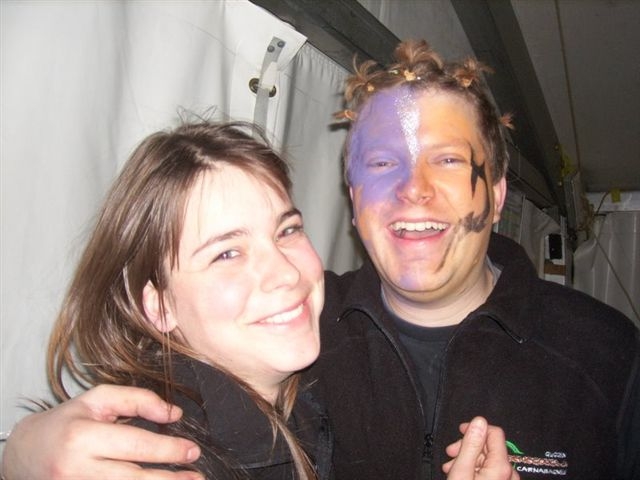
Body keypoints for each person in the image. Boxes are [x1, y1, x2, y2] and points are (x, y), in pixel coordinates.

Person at [6, 37, 639, 478]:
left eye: (447, 160)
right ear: (354, 198)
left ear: (497, 195)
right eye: (382, 163)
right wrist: (19, 453)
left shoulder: (607, 355)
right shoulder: (297, 331)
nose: (413, 189)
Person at [2, 117, 514, 480]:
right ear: (158, 306)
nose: (286, 274)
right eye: (227, 253)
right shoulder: (158, 459)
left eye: (287, 231)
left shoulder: (299, 392)